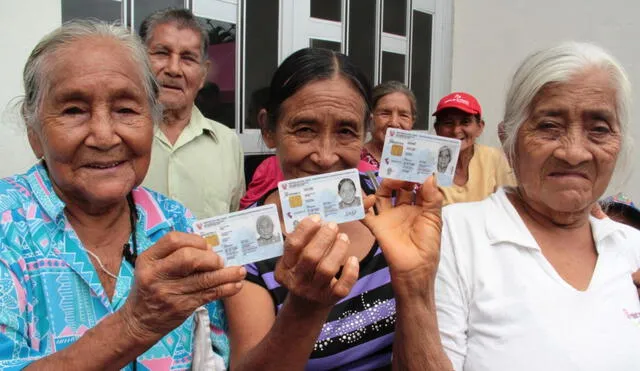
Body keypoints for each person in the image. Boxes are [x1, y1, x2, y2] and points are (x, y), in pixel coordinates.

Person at [0, 20, 247, 370]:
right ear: (34, 132)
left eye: (126, 110)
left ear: (152, 121)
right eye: (74, 110)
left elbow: (213, 357)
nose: (104, 136)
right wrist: (134, 325)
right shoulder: (6, 225)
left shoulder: (178, 223)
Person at [224, 48, 449, 370]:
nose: (326, 156)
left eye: (345, 131)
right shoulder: (246, 242)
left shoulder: (394, 209)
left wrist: (415, 284)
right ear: (268, 129)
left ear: (365, 131)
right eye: (304, 129)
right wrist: (303, 308)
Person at [421, 42, 640, 371]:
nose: (574, 153)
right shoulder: (455, 234)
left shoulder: (630, 247)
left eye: (599, 129)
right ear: (509, 141)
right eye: (550, 126)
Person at [139, 8, 245, 219]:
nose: (174, 69)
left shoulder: (228, 143)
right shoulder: (118, 137)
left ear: (203, 74)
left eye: (188, 58)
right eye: (162, 53)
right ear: (139, 60)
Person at [433, 92, 516, 205]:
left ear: (480, 127)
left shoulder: (495, 158)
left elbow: (510, 205)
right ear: (437, 129)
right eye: (448, 123)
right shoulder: (426, 161)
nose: (456, 130)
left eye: (465, 122)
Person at [361, 81, 418, 169]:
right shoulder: (354, 161)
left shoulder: (420, 163)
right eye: (385, 113)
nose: (394, 123)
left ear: (412, 121)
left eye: (403, 115)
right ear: (370, 118)